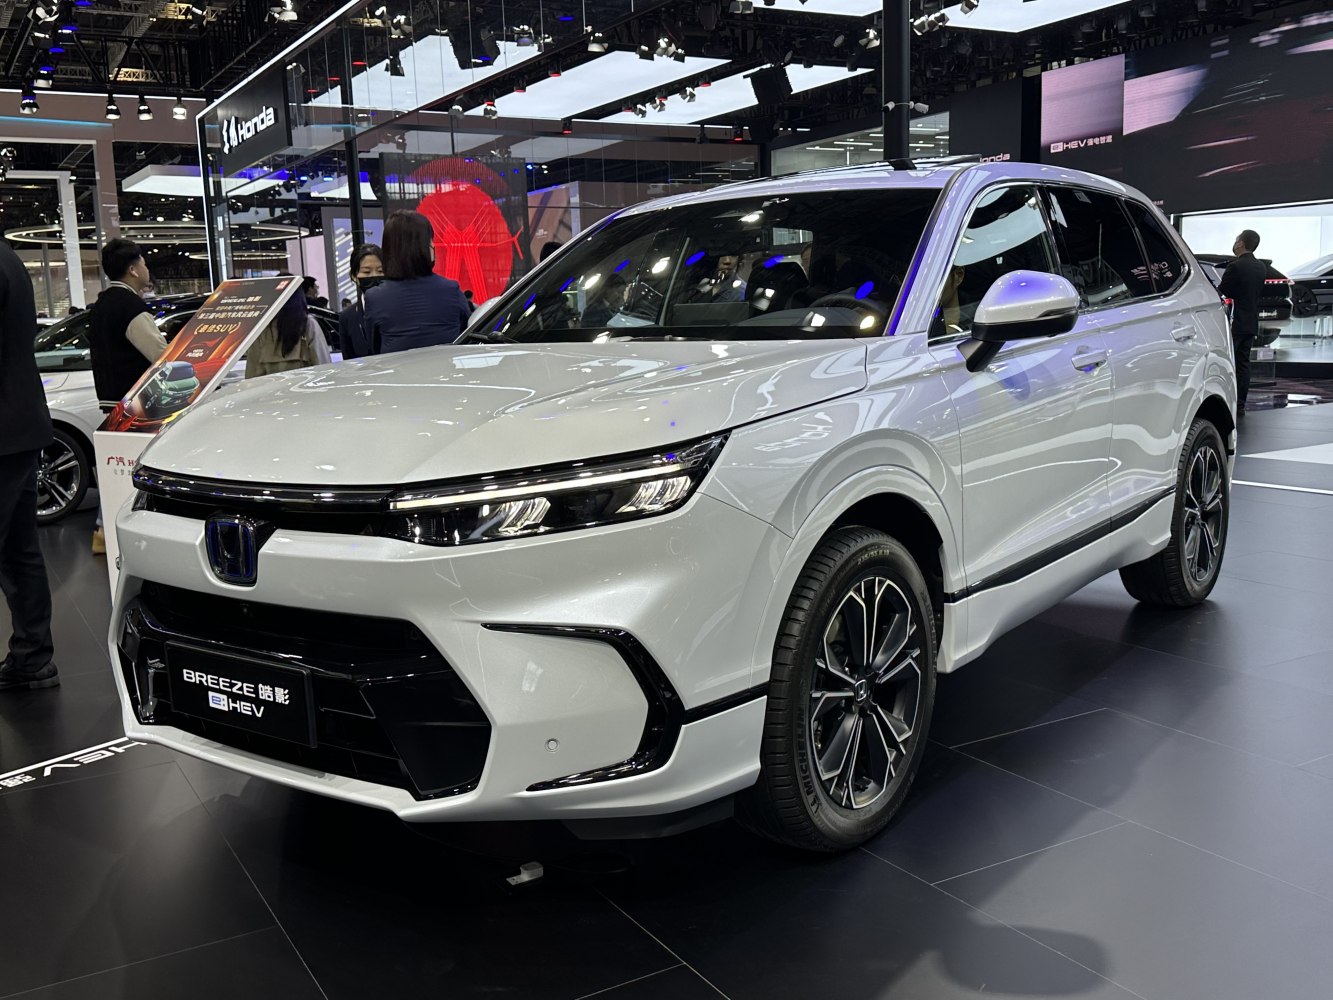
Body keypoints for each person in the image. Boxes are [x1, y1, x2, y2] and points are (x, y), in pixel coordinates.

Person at [0, 237, 58, 692]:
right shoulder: (9, 257)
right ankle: (33, 657)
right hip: (21, 426)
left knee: (18, 553)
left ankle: (33, 657)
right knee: (20, 552)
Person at [88, 237, 167, 554]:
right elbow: (160, 355)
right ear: (133, 270)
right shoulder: (130, 307)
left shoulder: (101, 306)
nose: (147, 269)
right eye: (145, 264)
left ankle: (103, 532)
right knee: (138, 469)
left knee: (117, 469)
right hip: (137, 402)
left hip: (111, 401)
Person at [363, 210, 471, 354]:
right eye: (431, 241)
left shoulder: (374, 297)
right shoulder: (451, 290)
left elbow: (374, 347)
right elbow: (467, 336)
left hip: (396, 374)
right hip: (446, 373)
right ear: (424, 247)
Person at [1218, 229, 1266, 416]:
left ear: (1240, 243)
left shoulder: (1235, 266)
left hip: (1234, 321)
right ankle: (1240, 404)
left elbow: (1223, 291)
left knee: (1228, 363)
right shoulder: (1260, 267)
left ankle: (1227, 401)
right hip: (1251, 322)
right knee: (1243, 364)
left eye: (1237, 239)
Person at [245, 289, 332, 379]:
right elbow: (323, 368)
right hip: (304, 390)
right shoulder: (308, 325)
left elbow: (251, 374)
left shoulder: (262, 329)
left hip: (270, 391)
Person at [338, 243, 384, 361]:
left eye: (380, 271)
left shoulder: (398, 307)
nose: (374, 276)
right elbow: (348, 360)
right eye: (367, 272)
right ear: (354, 276)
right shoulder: (347, 317)